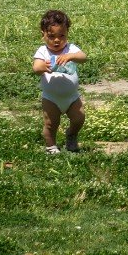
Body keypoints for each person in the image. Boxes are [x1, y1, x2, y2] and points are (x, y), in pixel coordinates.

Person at [32, 9, 87, 154]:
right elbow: (36, 67)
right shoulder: (43, 51)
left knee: (79, 118)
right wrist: (43, 66)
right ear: (43, 34)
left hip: (72, 97)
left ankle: (71, 134)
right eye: (51, 36)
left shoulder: (70, 49)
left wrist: (71, 56)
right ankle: (51, 146)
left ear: (67, 32)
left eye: (62, 35)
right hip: (51, 99)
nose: (57, 40)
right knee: (50, 124)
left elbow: (83, 57)